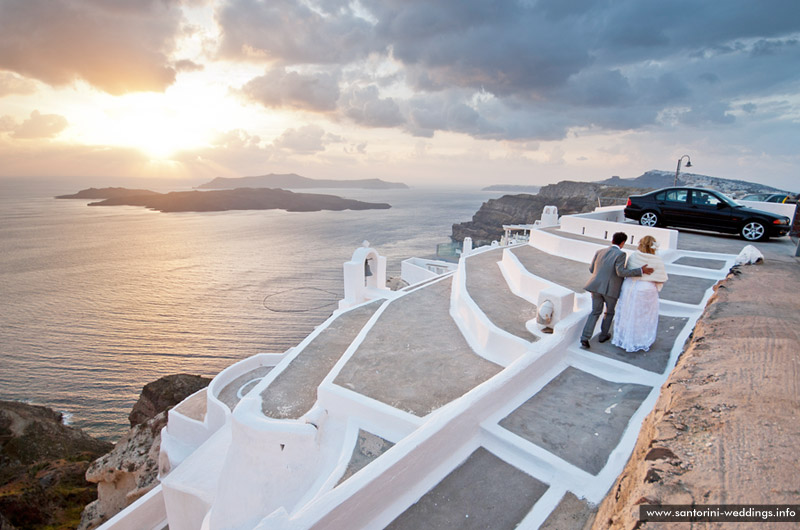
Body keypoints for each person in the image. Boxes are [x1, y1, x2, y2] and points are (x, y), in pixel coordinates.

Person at [580, 232, 654, 349]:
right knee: (609, 312)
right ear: (623, 243)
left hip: (595, 287)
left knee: (595, 312)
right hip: (610, 289)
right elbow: (621, 272)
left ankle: (584, 337)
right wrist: (640, 271)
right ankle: (603, 335)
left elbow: (591, 269)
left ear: (613, 240)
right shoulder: (621, 254)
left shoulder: (599, 251)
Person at [612, 236, 668, 352]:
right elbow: (661, 278)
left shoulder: (634, 256)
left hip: (629, 286)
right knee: (643, 316)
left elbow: (628, 271)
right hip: (646, 288)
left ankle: (624, 338)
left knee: (627, 312)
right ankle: (639, 340)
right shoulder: (657, 260)